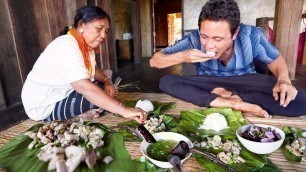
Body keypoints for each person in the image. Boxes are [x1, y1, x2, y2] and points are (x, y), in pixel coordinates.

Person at [150, 0, 306, 118]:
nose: (209, 45)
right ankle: (230, 101)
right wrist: (183, 56)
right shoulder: (193, 39)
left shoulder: (251, 35)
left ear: (235, 33)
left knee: (301, 101)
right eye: (205, 36)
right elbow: (155, 61)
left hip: (246, 82)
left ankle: (228, 96)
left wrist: (284, 80)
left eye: (218, 38)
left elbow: (275, 59)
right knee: (166, 81)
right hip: (208, 82)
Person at [22, 6, 147, 123]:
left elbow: (93, 69)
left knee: (109, 77)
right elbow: (84, 88)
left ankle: (90, 108)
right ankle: (80, 114)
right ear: (81, 25)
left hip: (65, 92)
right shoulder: (65, 45)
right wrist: (123, 110)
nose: (103, 35)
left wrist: (107, 80)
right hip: (44, 105)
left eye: (106, 31)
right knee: (98, 96)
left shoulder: (85, 46)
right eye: (99, 29)